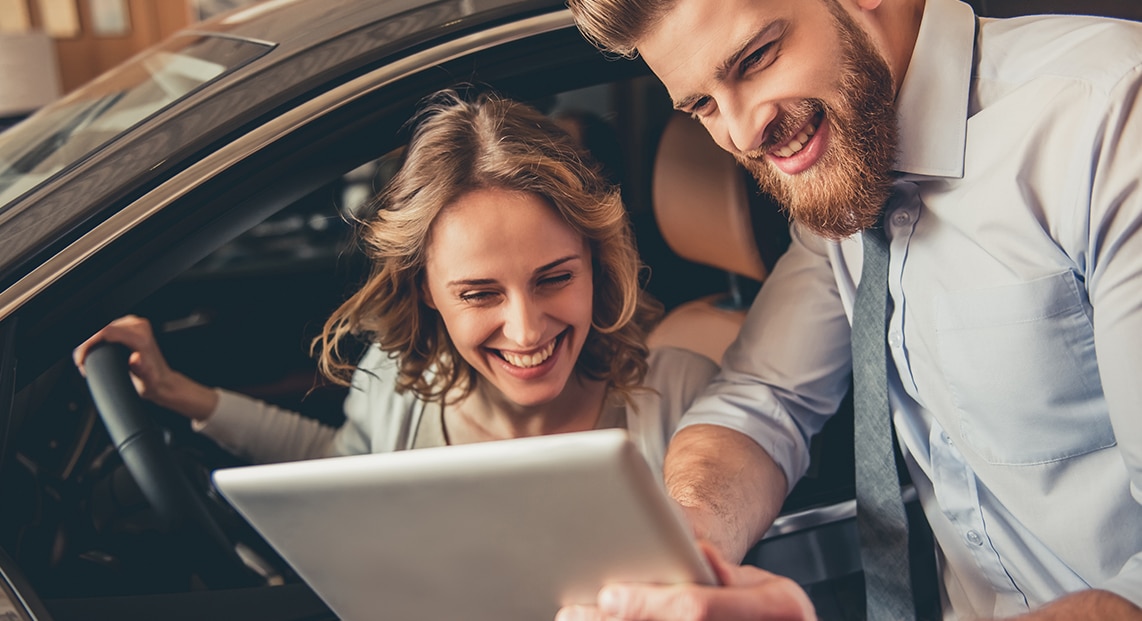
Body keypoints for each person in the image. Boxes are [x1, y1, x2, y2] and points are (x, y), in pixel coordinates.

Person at [557, 0, 1142, 619]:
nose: (742, 134)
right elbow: (763, 400)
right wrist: (685, 553)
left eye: (756, 58)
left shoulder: (1108, 121)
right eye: (702, 105)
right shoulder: (846, 170)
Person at [73, 89, 718, 476]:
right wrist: (179, 393)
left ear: (596, 263)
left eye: (553, 279)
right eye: (479, 293)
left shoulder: (681, 399)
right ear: (425, 290)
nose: (525, 329)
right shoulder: (400, 384)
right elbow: (343, 470)